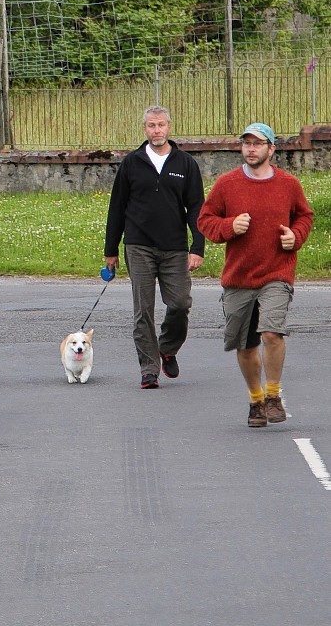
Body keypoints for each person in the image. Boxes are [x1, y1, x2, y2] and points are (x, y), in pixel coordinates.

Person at [197, 122, 313, 428]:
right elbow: (205, 220)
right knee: (246, 346)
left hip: (277, 271)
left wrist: (295, 236)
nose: (251, 148)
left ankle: (273, 395)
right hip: (238, 277)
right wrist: (228, 227)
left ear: (271, 149)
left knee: (272, 333)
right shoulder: (227, 184)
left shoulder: (288, 185)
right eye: (247, 143)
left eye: (258, 143)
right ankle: (256, 400)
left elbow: (304, 216)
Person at [104, 105, 205, 389]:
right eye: (151, 125)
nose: (156, 130)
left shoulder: (185, 164)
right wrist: (111, 250)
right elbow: (117, 208)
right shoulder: (131, 163)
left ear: (169, 127)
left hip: (175, 248)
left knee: (180, 303)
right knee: (143, 311)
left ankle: (167, 347)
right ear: (144, 128)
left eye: (161, 125)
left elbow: (196, 207)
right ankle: (149, 369)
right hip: (138, 246)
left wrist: (198, 246)